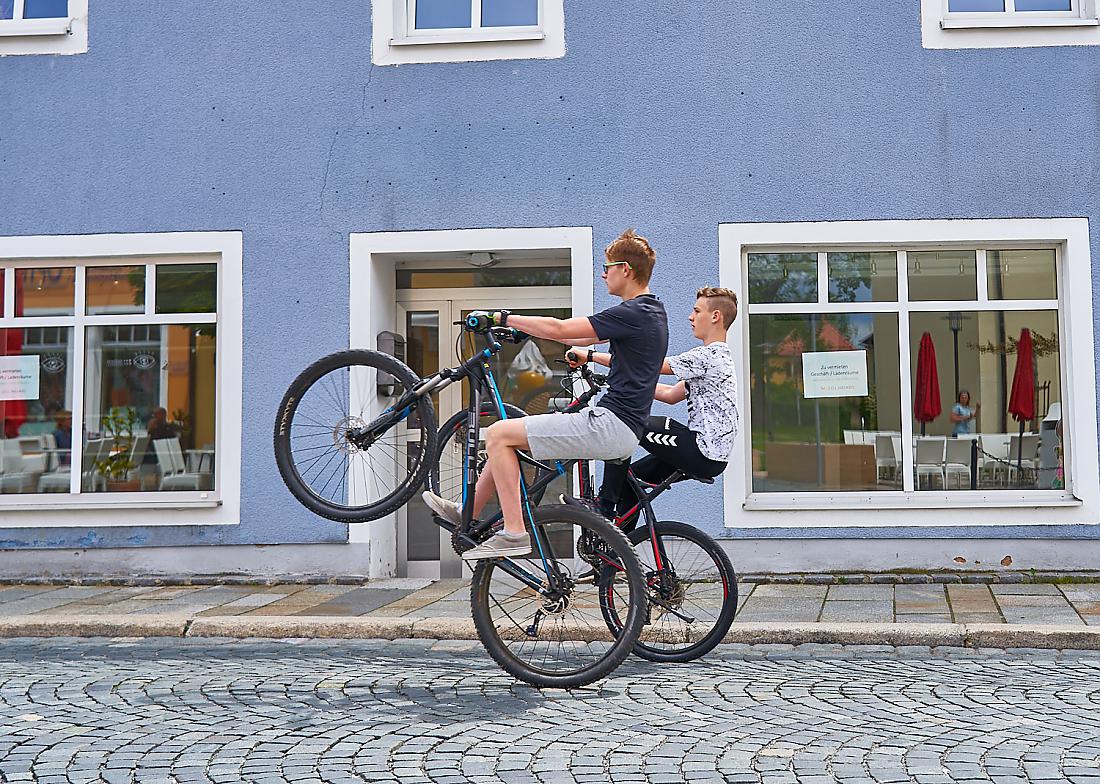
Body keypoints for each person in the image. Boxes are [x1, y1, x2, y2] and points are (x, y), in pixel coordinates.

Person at [421, 228, 669, 559]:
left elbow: (560, 329)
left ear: (626, 269)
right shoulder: (651, 312)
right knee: (507, 439)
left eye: (608, 266)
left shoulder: (633, 312)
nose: (603, 273)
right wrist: (522, 332)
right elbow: (578, 338)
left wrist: (501, 315)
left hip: (609, 424)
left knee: (497, 434)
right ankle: (467, 509)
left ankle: (513, 533)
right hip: (622, 428)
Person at [567, 286, 740, 522]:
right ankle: (619, 551)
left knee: (626, 423)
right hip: (708, 455)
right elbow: (669, 394)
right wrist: (613, 379)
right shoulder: (719, 359)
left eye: (696, 311)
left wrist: (590, 356)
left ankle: (604, 504)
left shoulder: (709, 356)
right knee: (631, 481)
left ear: (715, 316)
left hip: (702, 451)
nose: (690, 317)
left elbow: (646, 364)